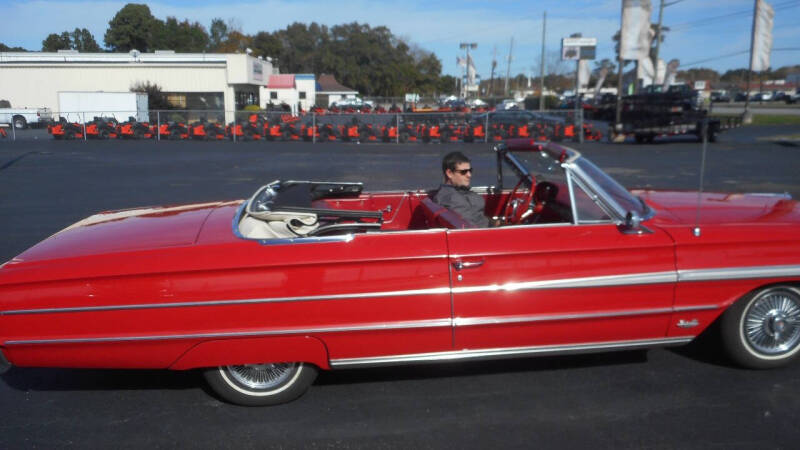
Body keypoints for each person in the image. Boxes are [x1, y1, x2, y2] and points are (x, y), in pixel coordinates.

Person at [433, 151, 490, 227]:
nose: (469, 175)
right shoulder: (452, 199)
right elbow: (472, 229)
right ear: (449, 173)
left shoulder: (450, 193)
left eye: (470, 171)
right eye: (464, 172)